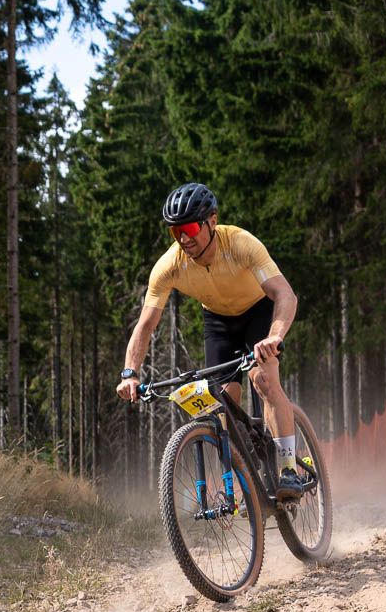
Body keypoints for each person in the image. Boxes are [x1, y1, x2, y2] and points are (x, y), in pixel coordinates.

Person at [115, 182, 313, 496]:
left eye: (190, 228)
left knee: (263, 380)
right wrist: (130, 373)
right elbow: (145, 325)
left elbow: (285, 294)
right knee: (223, 405)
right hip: (219, 322)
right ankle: (250, 484)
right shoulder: (169, 266)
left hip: (259, 311)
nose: (184, 238)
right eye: (175, 231)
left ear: (212, 221)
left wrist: (274, 337)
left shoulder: (241, 244)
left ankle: (288, 468)